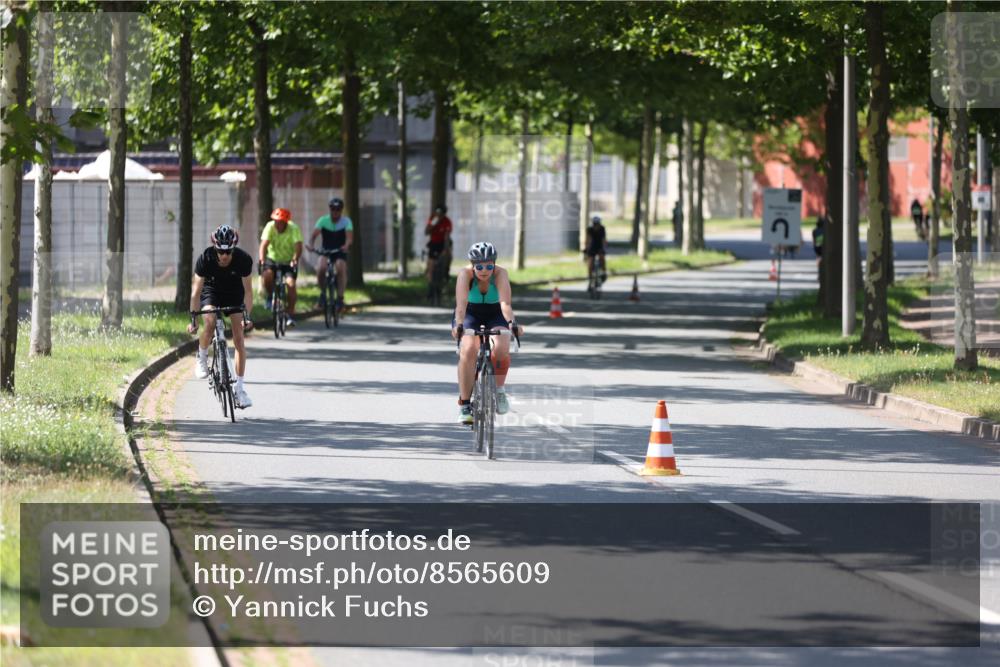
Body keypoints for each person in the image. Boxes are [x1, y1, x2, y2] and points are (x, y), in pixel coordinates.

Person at [451, 242, 523, 424]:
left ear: (494, 264)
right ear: (472, 265)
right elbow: (461, 306)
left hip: (495, 312)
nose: (484, 270)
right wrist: (459, 325)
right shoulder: (464, 275)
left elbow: (505, 305)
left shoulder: (501, 274)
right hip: (470, 313)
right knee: (468, 349)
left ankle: (499, 390)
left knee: (502, 345)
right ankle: (465, 404)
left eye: (489, 266)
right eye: (480, 266)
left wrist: (512, 324)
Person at [188, 224, 255, 408]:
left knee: (239, 338)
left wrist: (246, 316)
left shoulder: (243, 260)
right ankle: (201, 357)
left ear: (233, 249)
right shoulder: (205, 258)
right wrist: (193, 318)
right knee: (209, 323)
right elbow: (196, 292)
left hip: (234, 292)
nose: (224, 256)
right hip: (212, 291)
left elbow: (248, 292)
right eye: (220, 251)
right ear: (215, 248)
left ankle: (239, 389)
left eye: (228, 252)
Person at [259, 207, 303, 328]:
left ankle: (290, 313)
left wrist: (295, 259)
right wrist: (262, 259)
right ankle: (270, 296)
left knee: (291, 284)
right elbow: (263, 245)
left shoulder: (293, 228)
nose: (278, 224)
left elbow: (298, 246)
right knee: (267, 274)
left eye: (281, 222)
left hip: (288, 261)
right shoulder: (270, 226)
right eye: (276, 221)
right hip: (272, 259)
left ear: (286, 222)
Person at [309, 197, 353, 314]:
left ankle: (340, 298)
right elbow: (314, 236)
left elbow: (349, 238)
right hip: (326, 250)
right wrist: (311, 245)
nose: (335, 211)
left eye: (338, 209)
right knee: (321, 268)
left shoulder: (346, 222)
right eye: (333, 209)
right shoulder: (323, 220)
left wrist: (346, 245)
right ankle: (323, 294)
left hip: (339, 250)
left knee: (340, 267)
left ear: (341, 210)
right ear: (330, 209)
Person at [425, 205, 453, 282]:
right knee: (431, 263)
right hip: (434, 243)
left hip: (443, 242)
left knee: (449, 256)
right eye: (437, 213)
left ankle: (446, 272)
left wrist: (445, 249)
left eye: (441, 214)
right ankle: (430, 284)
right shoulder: (433, 219)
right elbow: (426, 232)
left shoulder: (447, 221)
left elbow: (447, 237)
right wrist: (433, 224)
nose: (439, 215)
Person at [583, 215, 608, 283]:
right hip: (592, 246)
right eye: (595, 224)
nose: (596, 226)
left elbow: (604, 239)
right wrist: (586, 248)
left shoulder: (602, 229)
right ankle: (590, 278)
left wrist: (604, 247)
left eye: (597, 224)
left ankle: (604, 272)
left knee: (602, 258)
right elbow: (588, 239)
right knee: (590, 262)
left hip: (599, 246)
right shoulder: (589, 229)